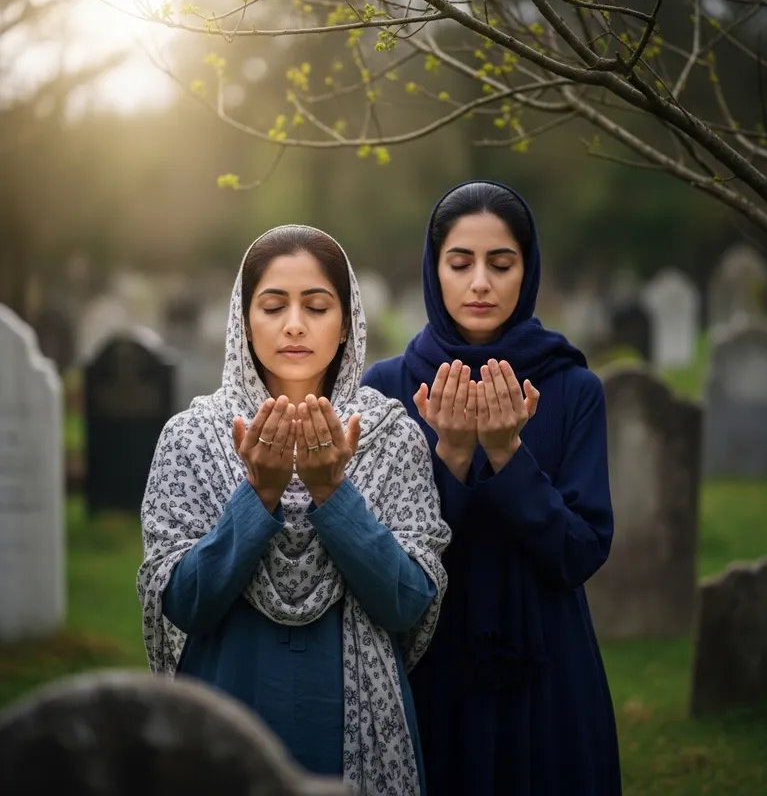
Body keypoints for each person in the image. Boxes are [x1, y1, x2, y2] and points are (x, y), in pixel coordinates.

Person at [138, 225, 451, 796]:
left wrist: (334, 493)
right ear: (244, 320)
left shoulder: (391, 436)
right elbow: (182, 602)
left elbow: (408, 601)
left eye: (317, 305)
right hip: (227, 704)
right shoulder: (192, 438)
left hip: (359, 726)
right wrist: (258, 493)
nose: (295, 324)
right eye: (273, 305)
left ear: (347, 322)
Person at [362, 182, 621, 795]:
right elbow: (382, 562)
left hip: (548, 664)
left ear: (526, 272)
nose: (480, 282)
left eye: (501, 264)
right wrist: (450, 457)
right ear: (435, 270)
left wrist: (507, 453)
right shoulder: (388, 387)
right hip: (431, 658)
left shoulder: (573, 387)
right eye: (460, 263)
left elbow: (579, 550)